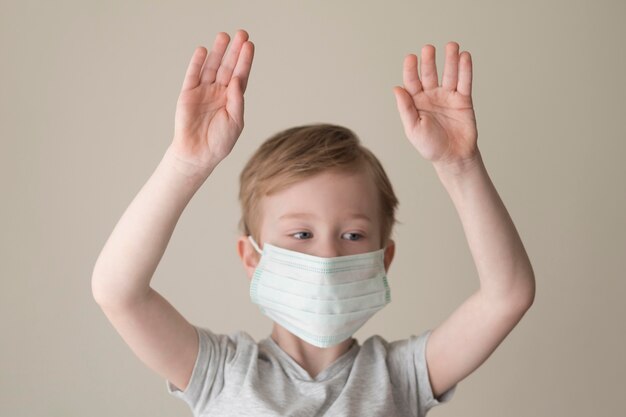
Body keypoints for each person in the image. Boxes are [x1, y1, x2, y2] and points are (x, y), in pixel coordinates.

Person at [91, 29, 536, 416]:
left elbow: (508, 295)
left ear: (385, 258)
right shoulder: (221, 373)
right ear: (251, 256)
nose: (326, 255)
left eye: (353, 235)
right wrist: (186, 163)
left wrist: (459, 165)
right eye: (301, 234)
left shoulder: (402, 378)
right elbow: (117, 291)